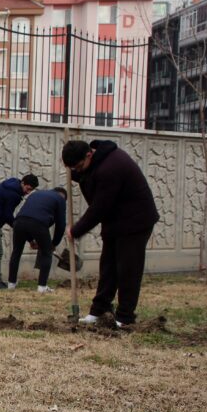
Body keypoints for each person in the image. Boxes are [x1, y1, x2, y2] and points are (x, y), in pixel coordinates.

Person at [62, 139, 159, 327]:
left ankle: (125, 317)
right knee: (108, 266)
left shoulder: (112, 167)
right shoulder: (97, 161)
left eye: (79, 166)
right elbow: (88, 175)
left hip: (135, 221)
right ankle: (99, 311)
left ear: (89, 154)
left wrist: (76, 230)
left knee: (127, 269)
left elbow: (99, 207)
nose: (78, 170)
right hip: (116, 221)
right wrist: (76, 172)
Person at [0, 173, 38, 288]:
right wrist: (18, 227)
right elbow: (7, 216)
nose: (28, 192)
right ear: (23, 183)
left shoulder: (11, 182)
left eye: (31, 190)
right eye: (28, 189)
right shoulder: (14, 195)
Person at [7, 187, 67, 293]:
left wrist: (31, 240)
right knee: (47, 253)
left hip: (18, 221)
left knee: (16, 252)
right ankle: (42, 287)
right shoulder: (60, 199)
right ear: (63, 196)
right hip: (38, 223)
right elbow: (61, 225)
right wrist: (54, 243)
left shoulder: (36, 194)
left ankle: (11, 284)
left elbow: (29, 216)